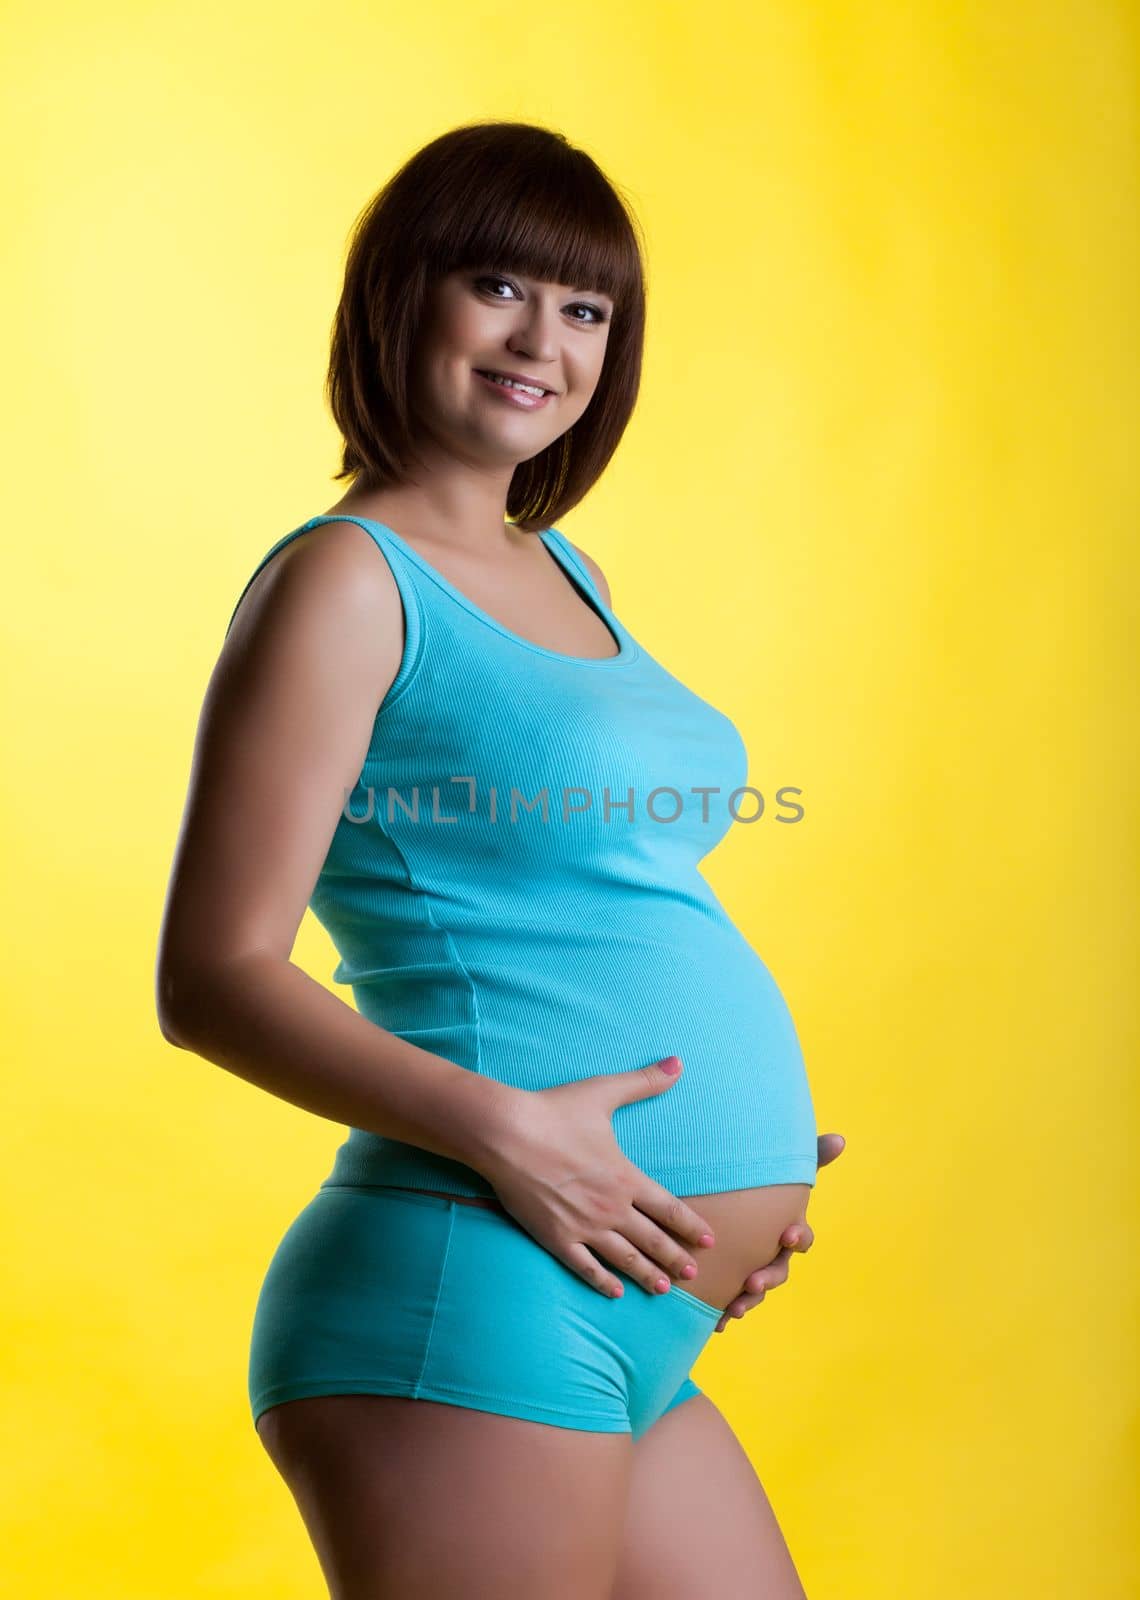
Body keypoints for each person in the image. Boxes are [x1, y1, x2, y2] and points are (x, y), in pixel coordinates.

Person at [156, 119, 847, 1600]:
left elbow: (598, 904)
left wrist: (730, 1175)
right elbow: (211, 977)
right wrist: (524, 1136)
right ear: (403, 295)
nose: (545, 339)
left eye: (587, 308)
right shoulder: (346, 582)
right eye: (499, 286)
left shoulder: (568, 573)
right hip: (471, 1292)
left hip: (622, 1301)